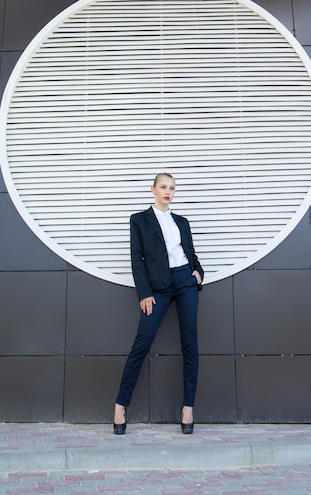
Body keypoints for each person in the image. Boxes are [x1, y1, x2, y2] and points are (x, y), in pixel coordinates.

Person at [113, 173, 204, 435]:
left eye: (172, 188)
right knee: (142, 342)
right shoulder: (139, 220)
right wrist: (144, 292)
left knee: (190, 344)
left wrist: (198, 272)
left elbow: (190, 252)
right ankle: (120, 405)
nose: (168, 192)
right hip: (158, 289)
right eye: (163, 187)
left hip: (185, 282)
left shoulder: (182, 222)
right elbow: (136, 258)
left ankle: (188, 407)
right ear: (152, 189)